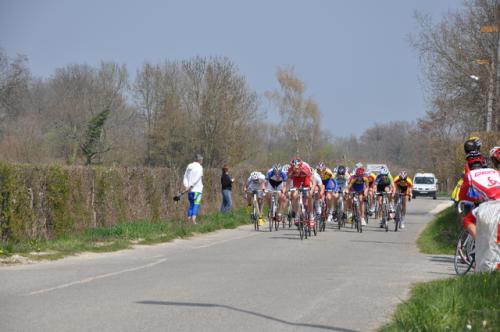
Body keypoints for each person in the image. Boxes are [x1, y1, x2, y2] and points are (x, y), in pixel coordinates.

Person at [460, 149, 500, 272]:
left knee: (467, 220)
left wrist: (476, 197)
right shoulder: (495, 172)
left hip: (491, 206)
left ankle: (481, 242)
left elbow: (463, 196)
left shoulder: (469, 175)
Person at [286, 157, 315, 225]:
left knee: (308, 195)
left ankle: (311, 215)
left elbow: (313, 182)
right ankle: (297, 214)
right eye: (294, 168)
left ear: (300, 166)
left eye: (297, 168)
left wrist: (311, 190)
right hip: (297, 180)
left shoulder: (305, 168)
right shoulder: (290, 170)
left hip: (305, 178)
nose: (296, 170)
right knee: (294, 195)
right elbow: (288, 181)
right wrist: (287, 190)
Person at [183, 154, 204, 224]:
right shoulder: (200, 167)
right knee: (196, 205)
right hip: (197, 190)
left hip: (190, 191)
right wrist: (191, 185)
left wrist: (186, 186)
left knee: (191, 205)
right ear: (200, 160)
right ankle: (193, 221)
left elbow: (185, 176)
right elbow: (198, 178)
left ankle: (188, 221)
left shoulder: (189, 166)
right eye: (202, 161)